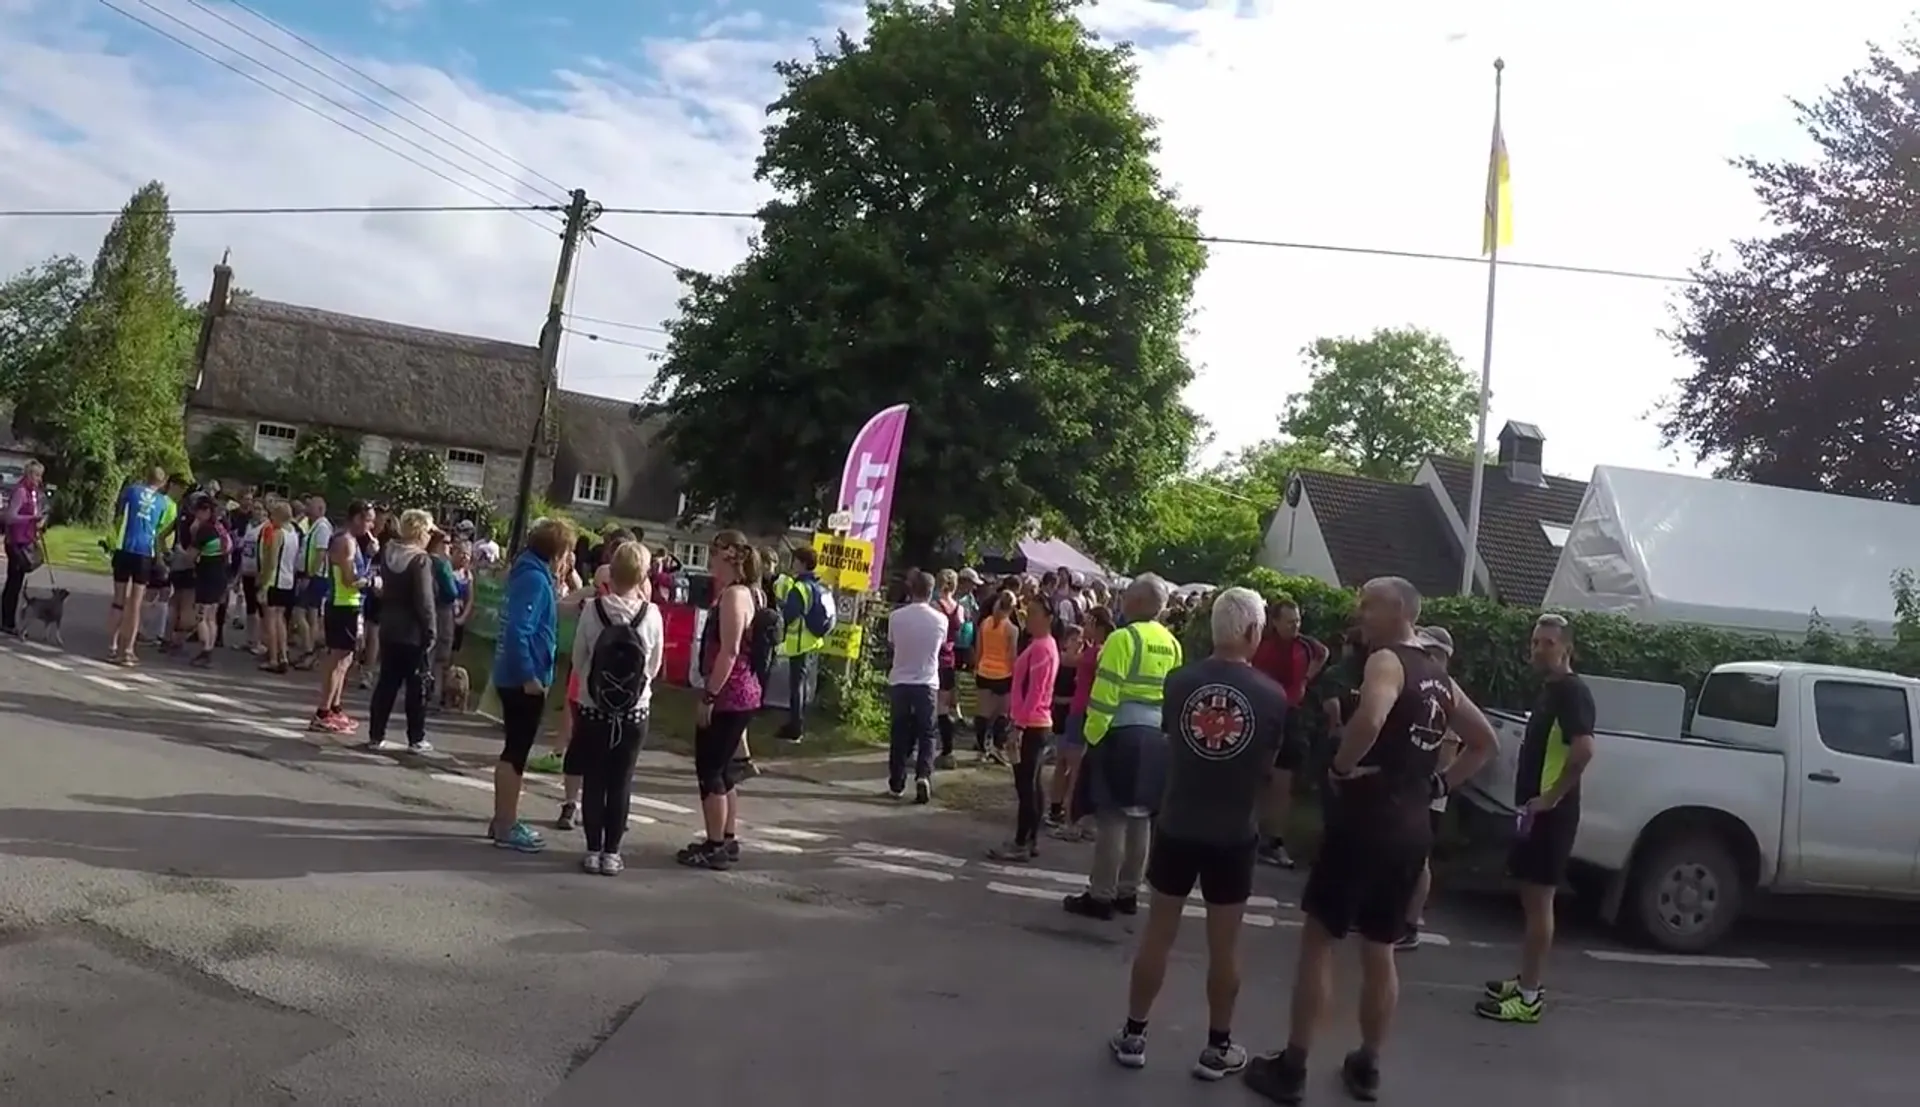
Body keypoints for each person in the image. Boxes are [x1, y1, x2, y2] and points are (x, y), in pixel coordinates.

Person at [1243, 577, 1498, 1105]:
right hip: (1410, 829)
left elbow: (1374, 714)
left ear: (1401, 609)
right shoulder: (1439, 678)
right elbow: (1483, 741)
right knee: (1380, 947)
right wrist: (1437, 785)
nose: (1359, 613)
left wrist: (1341, 765)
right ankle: (1367, 1064)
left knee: (1319, 941)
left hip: (1364, 823)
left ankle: (1292, 1067)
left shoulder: (1388, 662)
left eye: (1368, 604)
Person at [1106, 587, 1286, 1080]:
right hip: (1233, 830)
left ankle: (1134, 1033)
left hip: (1178, 822)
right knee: (1225, 945)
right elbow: (1269, 766)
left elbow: (1175, 741)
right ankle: (1217, 1046)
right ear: (1252, 632)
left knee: (1158, 933)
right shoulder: (1272, 697)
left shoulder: (1179, 682)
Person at [1477, 612, 1596, 1024]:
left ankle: (1529, 998)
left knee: (1540, 901)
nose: (1539, 649)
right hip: (1534, 812)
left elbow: (1583, 751)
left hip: (1551, 816)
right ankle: (1527, 978)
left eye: (1548, 642)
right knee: (1530, 899)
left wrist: (1550, 799)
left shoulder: (1572, 693)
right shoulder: (1551, 690)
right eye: (1534, 643)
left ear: (1567, 648)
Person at [1064, 574, 1182, 919]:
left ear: (1141, 603)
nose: (1123, 603)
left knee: (1112, 815)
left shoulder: (1123, 638)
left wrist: (1093, 735)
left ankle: (1101, 894)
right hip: (1155, 735)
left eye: (1128, 597)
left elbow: (1106, 693)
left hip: (1120, 733)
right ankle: (1129, 892)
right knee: (1141, 815)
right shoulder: (1172, 643)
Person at [570, 540, 663, 876]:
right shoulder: (651, 614)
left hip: (593, 707)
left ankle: (593, 850)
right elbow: (654, 665)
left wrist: (591, 688)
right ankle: (613, 853)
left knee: (594, 779)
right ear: (643, 576)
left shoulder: (593, 610)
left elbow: (579, 658)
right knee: (622, 781)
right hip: (635, 710)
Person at [676, 530, 766, 871]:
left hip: (729, 693)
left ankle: (715, 845)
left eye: (713, 555)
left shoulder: (733, 597)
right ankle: (725, 838)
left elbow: (729, 651)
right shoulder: (754, 594)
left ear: (728, 558)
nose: (710, 562)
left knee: (710, 769)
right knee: (726, 769)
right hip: (745, 691)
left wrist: (709, 695)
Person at [490, 516, 574, 853]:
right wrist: (529, 676)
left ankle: (502, 819)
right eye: (568, 553)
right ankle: (506, 823)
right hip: (523, 678)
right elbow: (518, 631)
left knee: (516, 749)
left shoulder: (532, 575)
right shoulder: (535, 581)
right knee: (516, 752)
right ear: (557, 552)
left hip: (520, 673)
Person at [1252, 598, 1329, 869]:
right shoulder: (1265, 648)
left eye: (1298, 620)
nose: (1295, 626)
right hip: (1267, 714)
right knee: (1259, 775)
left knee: (1283, 781)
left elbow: (1323, 652)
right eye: (1289, 621)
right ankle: (1251, 833)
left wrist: (1306, 678)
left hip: (1291, 715)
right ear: (1275, 622)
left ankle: (1273, 840)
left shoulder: (1304, 645)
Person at [1399, 626, 1461, 951]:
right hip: (1416, 786)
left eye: (1428, 651)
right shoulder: (1430, 685)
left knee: (1419, 859)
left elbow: (1450, 745)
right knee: (1406, 856)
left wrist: (1437, 784)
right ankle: (1400, 917)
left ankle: (1410, 925)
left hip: (1430, 792)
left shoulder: (1447, 690)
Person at [988, 592, 1060, 862]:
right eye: (1027, 612)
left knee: (1026, 785)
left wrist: (1018, 725)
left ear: (1048, 618)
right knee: (1033, 783)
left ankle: (1022, 841)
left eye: (1034, 614)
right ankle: (1029, 839)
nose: (1028, 618)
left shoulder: (1042, 647)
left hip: (1031, 723)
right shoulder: (1042, 644)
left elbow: (1036, 690)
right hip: (1035, 721)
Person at [366, 509, 439, 754]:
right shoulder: (420, 560)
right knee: (416, 686)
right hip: (413, 631)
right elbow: (424, 600)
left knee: (387, 681)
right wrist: (431, 630)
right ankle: (415, 738)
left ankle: (376, 734)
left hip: (389, 625)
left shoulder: (389, 552)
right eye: (428, 531)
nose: (431, 536)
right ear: (420, 531)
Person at [306, 502, 374, 730]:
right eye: (368, 520)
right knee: (337, 658)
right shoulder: (345, 541)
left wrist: (370, 557)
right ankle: (323, 711)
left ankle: (334, 706)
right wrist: (373, 580)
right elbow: (349, 579)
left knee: (346, 659)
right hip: (341, 604)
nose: (371, 525)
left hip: (351, 604)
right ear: (356, 518)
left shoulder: (354, 542)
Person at [1048, 605, 1114, 841]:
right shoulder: (1099, 649)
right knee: (1072, 764)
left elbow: (1068, 661)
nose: (1084, 627)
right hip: (1082, 710)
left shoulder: (1099, 651)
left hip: (1082, 711)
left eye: (1087, 622)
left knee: (1075, 768)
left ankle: (1072, 822)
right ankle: (1079, 819)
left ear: (1096, 624)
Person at [885, 569, 945, 804]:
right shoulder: (941, 620)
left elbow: (892, 643)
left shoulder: (896, 617)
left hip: (900, 678)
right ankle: (923, 774)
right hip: (927, 681)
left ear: (912, 589)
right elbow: (939, 648)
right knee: (927, 733)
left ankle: (897, 782)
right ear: (932, 592)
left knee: (899, 732)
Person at [106, 466, 172, 664]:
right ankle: (128, 649)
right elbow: (158, 527)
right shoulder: (163, 502)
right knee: (135, 604)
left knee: (118, 600)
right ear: (163, 482)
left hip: (124, 547)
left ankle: (112, 644)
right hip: (144, 552)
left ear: (146, 477)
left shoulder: (132, 490)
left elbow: (118, 514)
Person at [773, 545, 833, 744]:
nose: (792, 564)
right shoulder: (821, 586)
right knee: (802, 684)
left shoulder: (800, 588)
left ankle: (795, 727)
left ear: (803, 563)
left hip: (799, 642)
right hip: (813, 640)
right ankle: (797, 722)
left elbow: (789, 615)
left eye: (795, 561)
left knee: (796, 686)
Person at [970, 590, 1019, 762]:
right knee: (1002, 713)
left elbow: (979, 648)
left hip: (984, 670)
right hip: (1003, 674)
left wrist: (977, 667)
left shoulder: (985, 623)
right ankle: (998, 747)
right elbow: (1012, 655)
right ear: (1012, 608)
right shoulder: (1012, 629)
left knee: (983, 712)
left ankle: (982, 748)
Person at [184, 496, 232, 666]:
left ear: (205, 511)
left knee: (201, 616)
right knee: (212, 616)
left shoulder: (205, 530)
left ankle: (205, 650)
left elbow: (191, 555)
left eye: (198, 511)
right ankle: (210, 647)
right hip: (221, 574)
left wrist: (180, 551)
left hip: (207, 575)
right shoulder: (221, 528)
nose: (196, 515)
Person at [257, 499, 299, 673]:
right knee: (281, 619)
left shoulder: (278, 533)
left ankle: (273, 658)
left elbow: (271, 561)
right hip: (288, 580)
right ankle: (283, 655)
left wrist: (263, 582)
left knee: (271, 619)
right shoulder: (294, 533)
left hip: (275, 580)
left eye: (272, 514)